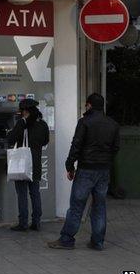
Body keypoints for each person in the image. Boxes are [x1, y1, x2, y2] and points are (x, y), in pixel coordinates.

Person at [48, 93, 120, 251]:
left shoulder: (84, 122)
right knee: (99, 206)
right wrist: (106, 161)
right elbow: (115, 148)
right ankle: (98, 242)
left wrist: (69, 166)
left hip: (86, 170)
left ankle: (67, 240)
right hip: (103, 171)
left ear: (89, 105)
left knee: (76, 206)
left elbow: (76, 145)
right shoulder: (113, 124)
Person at [7, 99, 50, 231]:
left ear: (25, 111)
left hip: (22, 164)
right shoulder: (42, 124)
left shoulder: (22, 124)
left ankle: (23, 223)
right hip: (35, 163)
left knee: (22, 194)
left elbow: (10, 139)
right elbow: (45, 141)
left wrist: (22, 123)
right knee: (35, 193)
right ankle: (36, 222)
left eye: (21, 111)